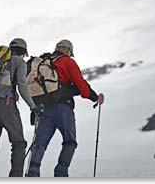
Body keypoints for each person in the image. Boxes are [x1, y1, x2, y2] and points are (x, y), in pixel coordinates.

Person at [26, 39, 105, 177]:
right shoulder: (67, 61)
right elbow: (81, 85)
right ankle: (61, 173)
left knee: (39, 143)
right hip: (63, 108)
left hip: (43, 109)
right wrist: (95, 97)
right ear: (68, 51)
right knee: (70, 141)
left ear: (57, 48)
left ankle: (32, 172)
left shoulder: (43, 62)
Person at [0, 38, 42, 177]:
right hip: (7, 106)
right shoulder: (19, 62)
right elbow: (22, 86)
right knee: (18, 143)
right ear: (23, 52)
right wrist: (33, 106)